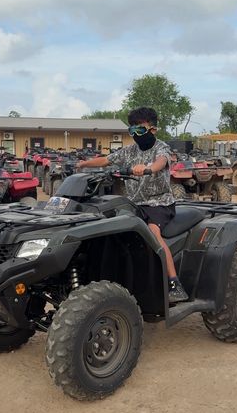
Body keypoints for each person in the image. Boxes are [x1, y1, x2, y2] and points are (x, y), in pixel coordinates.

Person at [76, 106, 188, 302]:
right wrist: (84, 164)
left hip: (158, 204)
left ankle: (174, 283)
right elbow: (106, 160)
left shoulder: (161, 148)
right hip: (134, 204)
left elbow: (160, 163)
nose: (136, 134)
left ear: (152, 129)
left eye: (140, 129)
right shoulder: (129, 151)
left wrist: (147, 168)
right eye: (132, 130)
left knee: (153, 232)